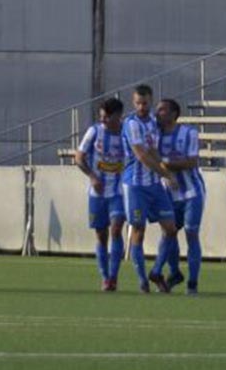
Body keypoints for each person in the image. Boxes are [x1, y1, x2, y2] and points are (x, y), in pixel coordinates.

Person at [116, 84, 174, 293]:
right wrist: (165, 174)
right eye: (138, 103)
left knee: (170, 228)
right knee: (138, 230)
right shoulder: (131, 123)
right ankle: (142, 279)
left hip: (154, 185)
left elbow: (152, 150)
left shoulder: (153, 123)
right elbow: (141, 155)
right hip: (135, 185)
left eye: (145, 103)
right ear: (133, 102)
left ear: (151, 101)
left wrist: (164, 170)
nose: (141, 106)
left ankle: (156, 271)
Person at [152, 98, 205, 295]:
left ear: (174, 113)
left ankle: (193, 282)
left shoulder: (188, 132)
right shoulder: (155, 135)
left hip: (192, 193)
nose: (158, 113)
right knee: (168, 233)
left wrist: (163, 164)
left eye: (162, 110)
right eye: (157, 110)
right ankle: (174, 273)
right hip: (168, 194)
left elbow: (191, 162)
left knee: (191, 233)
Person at [73, 97, 126, 291]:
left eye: (107, 117)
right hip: (97, 193)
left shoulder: (126, 133)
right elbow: (79, 157)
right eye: (101, 117)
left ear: (118, 116)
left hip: (119, 192)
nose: (103, 120)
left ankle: (113, 276)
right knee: (101, 235)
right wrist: (92, 176)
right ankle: (104, 276)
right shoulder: (94, 131)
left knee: (116, 229)